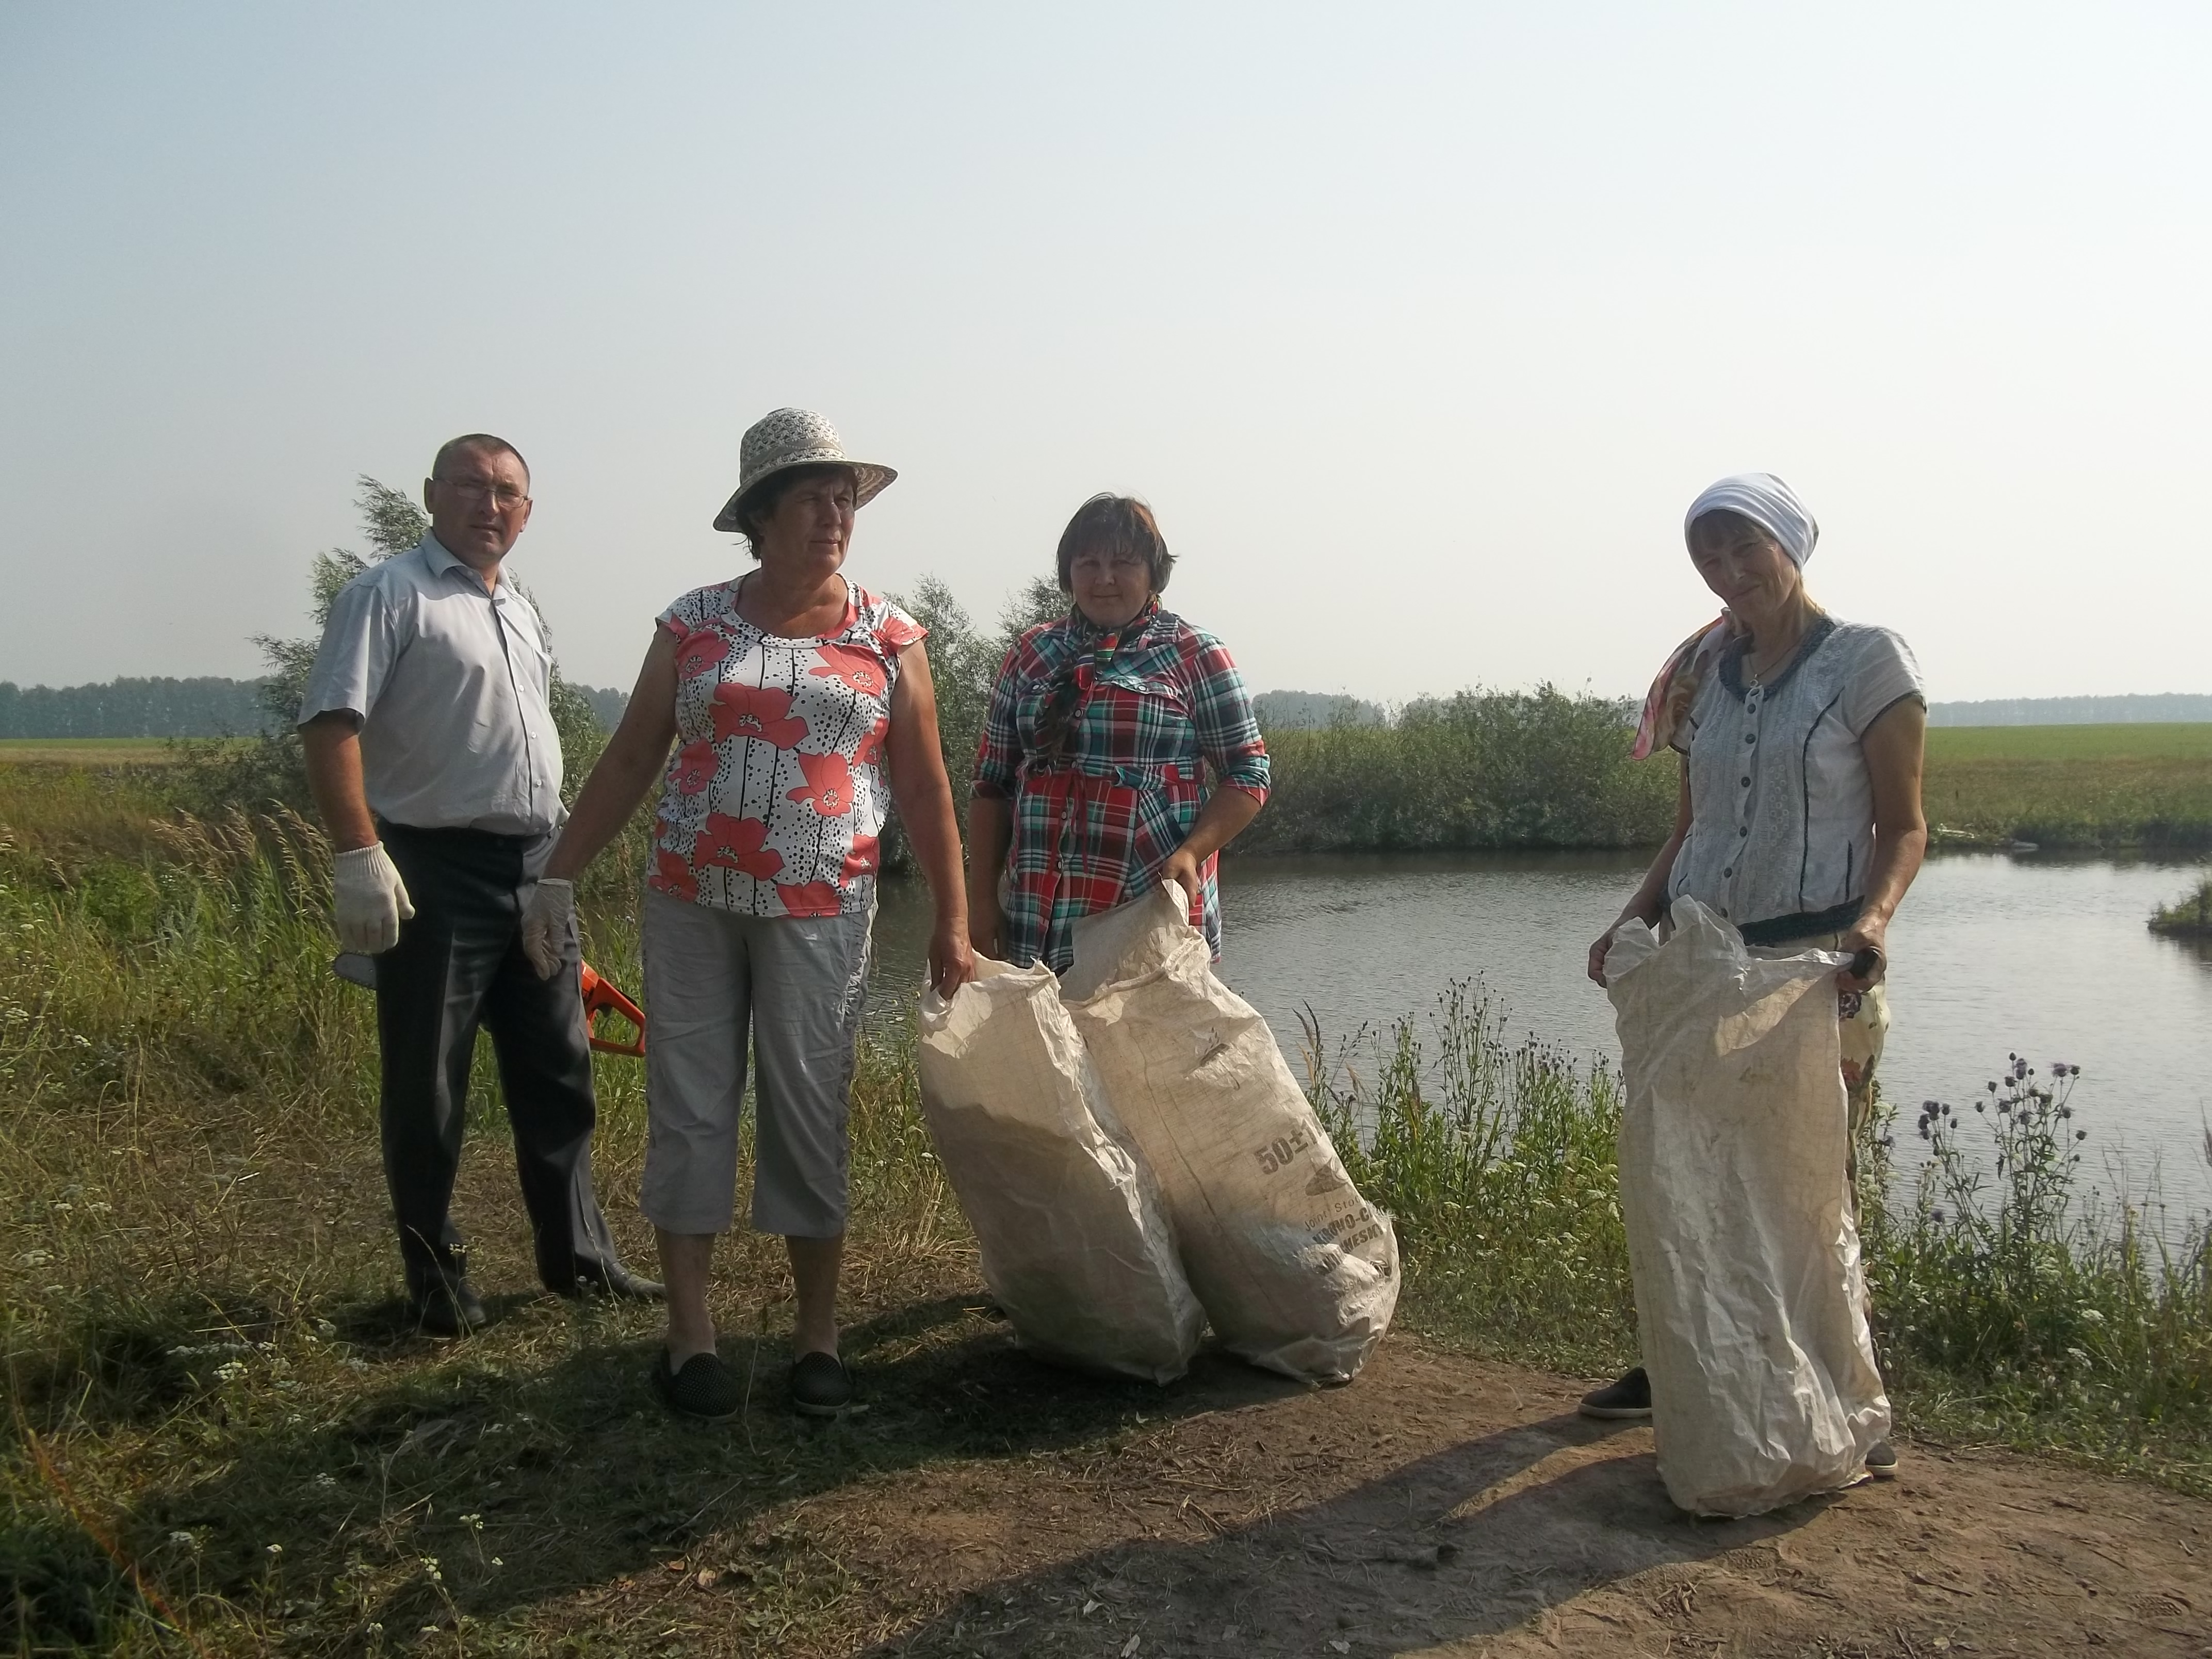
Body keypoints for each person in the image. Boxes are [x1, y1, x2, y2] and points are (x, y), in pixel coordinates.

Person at [521, 408, 974, 1420]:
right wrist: (556, 875)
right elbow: (634, 756)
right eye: (813, 496)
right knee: (691, 1106)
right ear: (759, 514)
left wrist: (951, 921)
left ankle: (816, 1340)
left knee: (810, 1108)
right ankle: (691, 1340)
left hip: (823, 911)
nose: (834, 514)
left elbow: (928, 788)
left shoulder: (890, 637)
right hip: (691, 904)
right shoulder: (693, 626)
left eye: (844, 498)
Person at [1576, 473, 1928, 1479]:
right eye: (1710, 555)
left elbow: (1903, 827)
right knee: (1682, 1171)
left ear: (1790, 547)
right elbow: (1691, 828)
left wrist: (1870, 924)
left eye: (1747, 549)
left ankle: (1848, 1399)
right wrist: (1627, 920)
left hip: (1811, 967)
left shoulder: (1864, 661)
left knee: (1812, 1189)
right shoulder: (1701, 671)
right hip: (1699, 958)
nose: (1730, 573)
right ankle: (1675, 1367)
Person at [299, 433, 659, 1338]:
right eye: (471, 486)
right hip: (433, 868)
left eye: (507, 492)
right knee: (429, 1080)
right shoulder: (388, 595)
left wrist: (557, 876)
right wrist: (356, 853)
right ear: (433, 495)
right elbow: (331, 724)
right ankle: (434, 1276)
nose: (489, 504)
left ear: (527, 513)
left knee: (559, 1067)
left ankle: (578, 1259)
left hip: (534, 869)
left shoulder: (521, 612)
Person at [967, 494, 1272, 974]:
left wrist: (1193, 851)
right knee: (1044, 1048)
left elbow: (1249, 773)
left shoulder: (1196, 654)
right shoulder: (1032, 653)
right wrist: (980, 900)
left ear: (1154, 573)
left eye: (1123, 563)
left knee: (1150, 1048)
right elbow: (992, 785)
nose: (1104, 578)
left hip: (1150, 912)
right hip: (1036, 914)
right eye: (1088, 563)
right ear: (1069, 573)